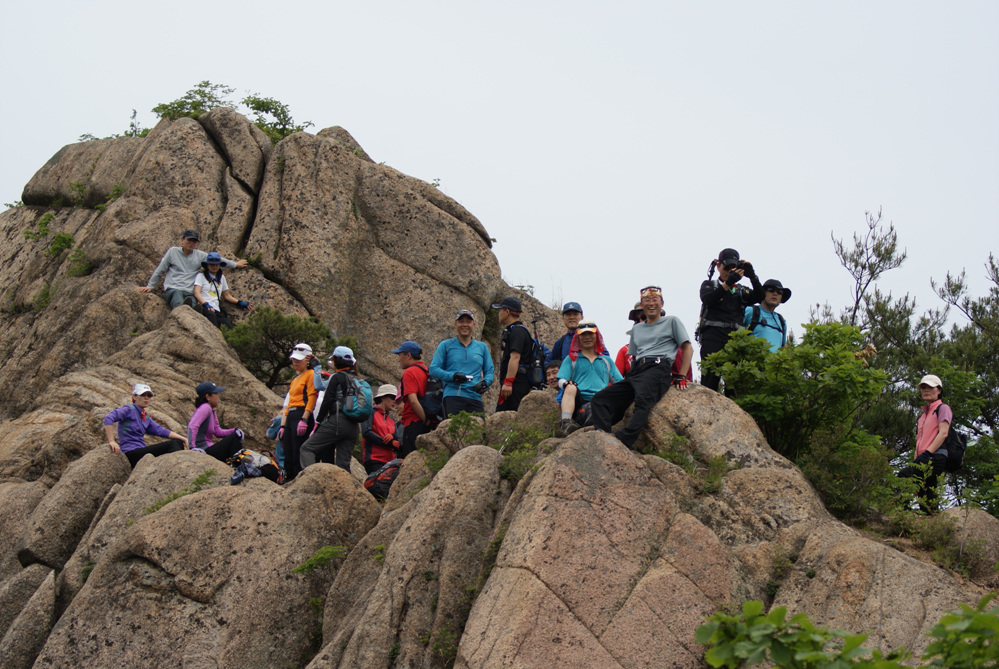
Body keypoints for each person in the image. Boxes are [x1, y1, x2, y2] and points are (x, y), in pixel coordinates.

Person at [590, 286, 693, 448]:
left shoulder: (672, 321)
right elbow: (633, 356)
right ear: (642, 305)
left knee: (642, 401)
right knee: (599, 399)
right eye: (647, 300)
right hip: (638, 370)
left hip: (659, 367)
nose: (651, 303)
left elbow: (688, 348)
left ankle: (623, 440)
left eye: (655, 300)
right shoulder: (637, 329)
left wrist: (681, 375)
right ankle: (603, 437)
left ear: (662, 303)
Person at [698, 248, 764, 392]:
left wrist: (752, 277)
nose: (729, 271)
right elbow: (709, 300)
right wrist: (727, 283)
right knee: (709, 383)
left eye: (733, 268)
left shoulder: (740, 290)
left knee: (734, 387)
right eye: (726, 267)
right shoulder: (709, 285)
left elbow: (759, 297)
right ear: (718, 266)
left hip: (734, 341)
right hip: (713, 338)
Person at [141, 230, 247, 309]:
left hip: (189, 291)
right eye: (189, 240)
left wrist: (235, 264)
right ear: (182, 240)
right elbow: (160, 269)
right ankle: (182, 311)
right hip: (173, 288)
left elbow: (216, 259)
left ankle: (193, 311)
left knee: (194, 303)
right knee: (178, 299)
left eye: (194, 241)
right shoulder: (173, 252)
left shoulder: (199, 255)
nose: (192, 243)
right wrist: (150, 286)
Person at [301, 346, 363, 472]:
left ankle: (310, 481)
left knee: (307, 448)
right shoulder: (357, 379)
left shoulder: (336, 377)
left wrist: (317, 423)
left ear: (336, 360)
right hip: (354, 426)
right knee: (343, 466)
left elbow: (327, 400)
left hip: (338, 421)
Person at [897, 374, 951, 514]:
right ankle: (932, 525)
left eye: (930, 387)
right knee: (925, 493)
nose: (926, 390)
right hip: (923, 458)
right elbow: (918, 442)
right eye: (923, 388)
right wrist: (916, 460)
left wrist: (928, 453)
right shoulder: (923, 416)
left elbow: (943, 433)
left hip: (935, 456)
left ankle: (901, 514)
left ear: (939, 390)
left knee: (904, 477)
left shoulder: (943, 408)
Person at [556, 322, 623, 435]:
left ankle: (593, 422)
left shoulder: (606, 361)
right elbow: (561, 379)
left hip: (600, 401)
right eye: (583, 335)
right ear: (578, 337)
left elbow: (620, 383)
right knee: (570, 387)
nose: (587, 337)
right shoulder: (572, 359)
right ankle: (566, 422)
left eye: (591, 334)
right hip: (579, 401)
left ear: (597, 336)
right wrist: (566, 384)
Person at [103, 383, 188, 468]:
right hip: (131, 453)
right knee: (172, 444)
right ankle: (179, 468)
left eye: (149, 395)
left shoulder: (144, 416)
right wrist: (111, 441)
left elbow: (161, 431)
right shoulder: (129, 409)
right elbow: (109, 418)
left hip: (141, 452)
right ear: (134, 396)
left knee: (178, 442)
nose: (146, 397)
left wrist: (184, 439)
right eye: (143, 394)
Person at [429, 309, 494, 416]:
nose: (465, 325)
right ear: (455, 324)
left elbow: (489, 370)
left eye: (468, 322)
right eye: (461, 321)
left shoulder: (482, 347)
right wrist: (453, 376)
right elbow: (433, 369)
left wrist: (485, 383)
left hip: (475, 397)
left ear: (474, 324)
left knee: (478, 431)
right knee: (453, 431)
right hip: (452, 396)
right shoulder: (445, 345)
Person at [616, 302, 692, 382]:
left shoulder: (675, 347)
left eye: (644, 317)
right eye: (636, 320)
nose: (640, 321)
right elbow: (616, 379)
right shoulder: (625, 351)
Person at [279, 348, 318, 479]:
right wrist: (283, 426)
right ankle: (289, 479)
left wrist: (305, 419)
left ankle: (298, 479)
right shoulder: (295, 379)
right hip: (291, 415)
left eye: (298, 360)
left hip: (301, 414)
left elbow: (312, 397)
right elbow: (289, 404)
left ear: (307, 360)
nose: (295, 363)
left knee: (297, 451)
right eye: (293, 360)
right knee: (288, 452)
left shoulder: (311, 374)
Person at [493, 297, 534, 412]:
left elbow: (515, 357)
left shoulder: (517, 331)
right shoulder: (515, 330)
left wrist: (508, 381)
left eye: (500, 310)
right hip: (515, 383)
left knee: (509, 416)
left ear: (507, 312)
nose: (498, 313)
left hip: (516, 383)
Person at [187, 381, 245, 462]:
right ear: (208, 396)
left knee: (235, 435)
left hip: (209, 448)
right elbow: (192, 426)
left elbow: (218, 432)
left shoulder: (211, 411)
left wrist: (234, 430)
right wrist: (192, 447)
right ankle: (237, 465)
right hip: (204, 450)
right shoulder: (205, 407)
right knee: (235, 438)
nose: (218, 396)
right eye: (216, 393)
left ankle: (235, 463)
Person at [393, 340, 432, 458]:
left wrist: (425, 420)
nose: (399, 359)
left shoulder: (410, 372)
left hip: (414, 423)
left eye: (400, 355)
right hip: (425, 421)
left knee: (410, 458)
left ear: (408, 355)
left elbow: (413, 400)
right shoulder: (425, 370)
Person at [193, 252, 252, 329]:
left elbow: (226, 295)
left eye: (216, 264)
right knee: (214, 325)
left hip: (216, 309)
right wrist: (205, 304)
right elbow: (196, 292)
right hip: (205, 307)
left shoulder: (221, 278)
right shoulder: (201, 276)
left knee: (229, 328)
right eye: (212, 264)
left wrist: (239, 302)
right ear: (207, 265)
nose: (214, 267)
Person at [360, 384, 401, 474]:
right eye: (392, 397)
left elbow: (397, 440)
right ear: (383, 398)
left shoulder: (391, 419)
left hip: (390, 462)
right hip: (374, 460)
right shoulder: (370, 412)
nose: (395, 401)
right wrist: (387, 442)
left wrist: (392, 437)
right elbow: (366, 432)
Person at [744, 279, 791, 351]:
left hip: (775, 362)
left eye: (779, 292)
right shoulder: (750, 311)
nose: (775, 294)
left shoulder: (781, 321)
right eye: (771, 290)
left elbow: (784, 346)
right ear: (763, 293)